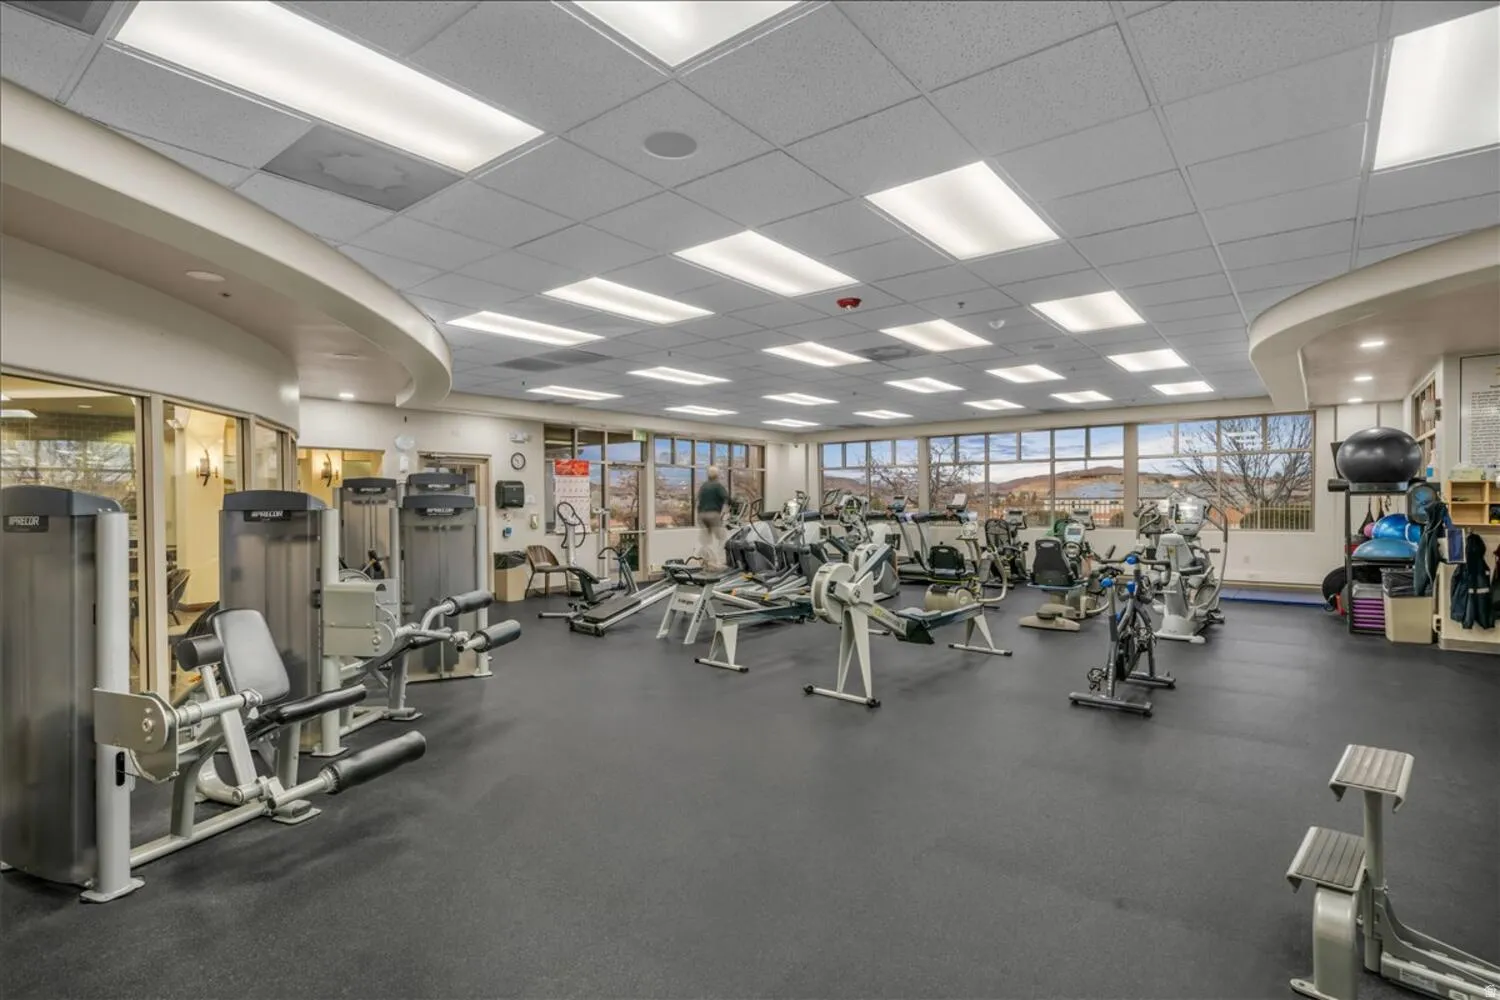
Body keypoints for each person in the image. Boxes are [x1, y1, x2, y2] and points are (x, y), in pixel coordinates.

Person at [696, 465, 729, 570]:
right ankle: (719, 561)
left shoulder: (704, 486)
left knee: (706, 541)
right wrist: (728, 507)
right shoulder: (717, 486)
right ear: (717, 475)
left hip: (701, 515)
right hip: (713, 514)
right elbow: (726, 498)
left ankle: (706, 561)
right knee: (723, 537)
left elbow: (698, 501)